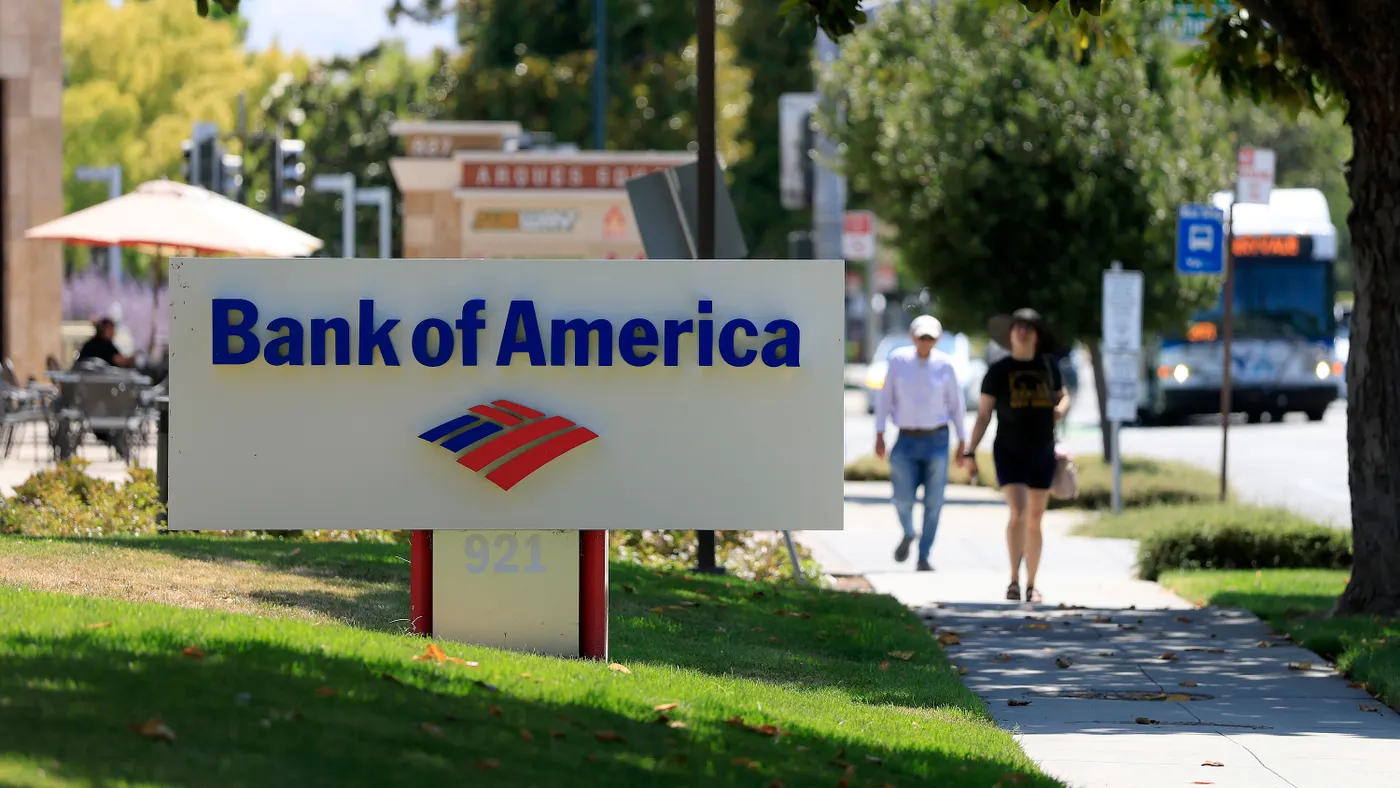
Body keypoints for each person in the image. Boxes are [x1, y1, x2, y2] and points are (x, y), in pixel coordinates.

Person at [960, 308, 1070, 603]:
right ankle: (1013, 579)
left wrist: (1062, 408)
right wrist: (969, 451)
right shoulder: (998, 371)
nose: (1022, 332)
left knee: (1035, 517)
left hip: (1043, 450)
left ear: (1036, 336)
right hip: (1009, 450)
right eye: (1017, 327)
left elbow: (1063, 395)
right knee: (1019, 511)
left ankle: (1032, 584)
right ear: (1010, 335)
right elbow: (983, 416)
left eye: (1028, 328)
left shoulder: (1049, 366)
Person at [874, 315, 967, 572]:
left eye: (930, 338)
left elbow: (956, 405)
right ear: (913, 337)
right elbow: (885, 398)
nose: (925, 342)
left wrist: (962, 441)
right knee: (902, 497)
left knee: (934, 501)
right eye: (921, 336)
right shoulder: (898, 361)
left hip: (937, 438)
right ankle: (908, 531)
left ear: (936, 340)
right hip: (905, 438)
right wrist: (880, 433)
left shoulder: (946, 366)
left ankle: (924, 554)